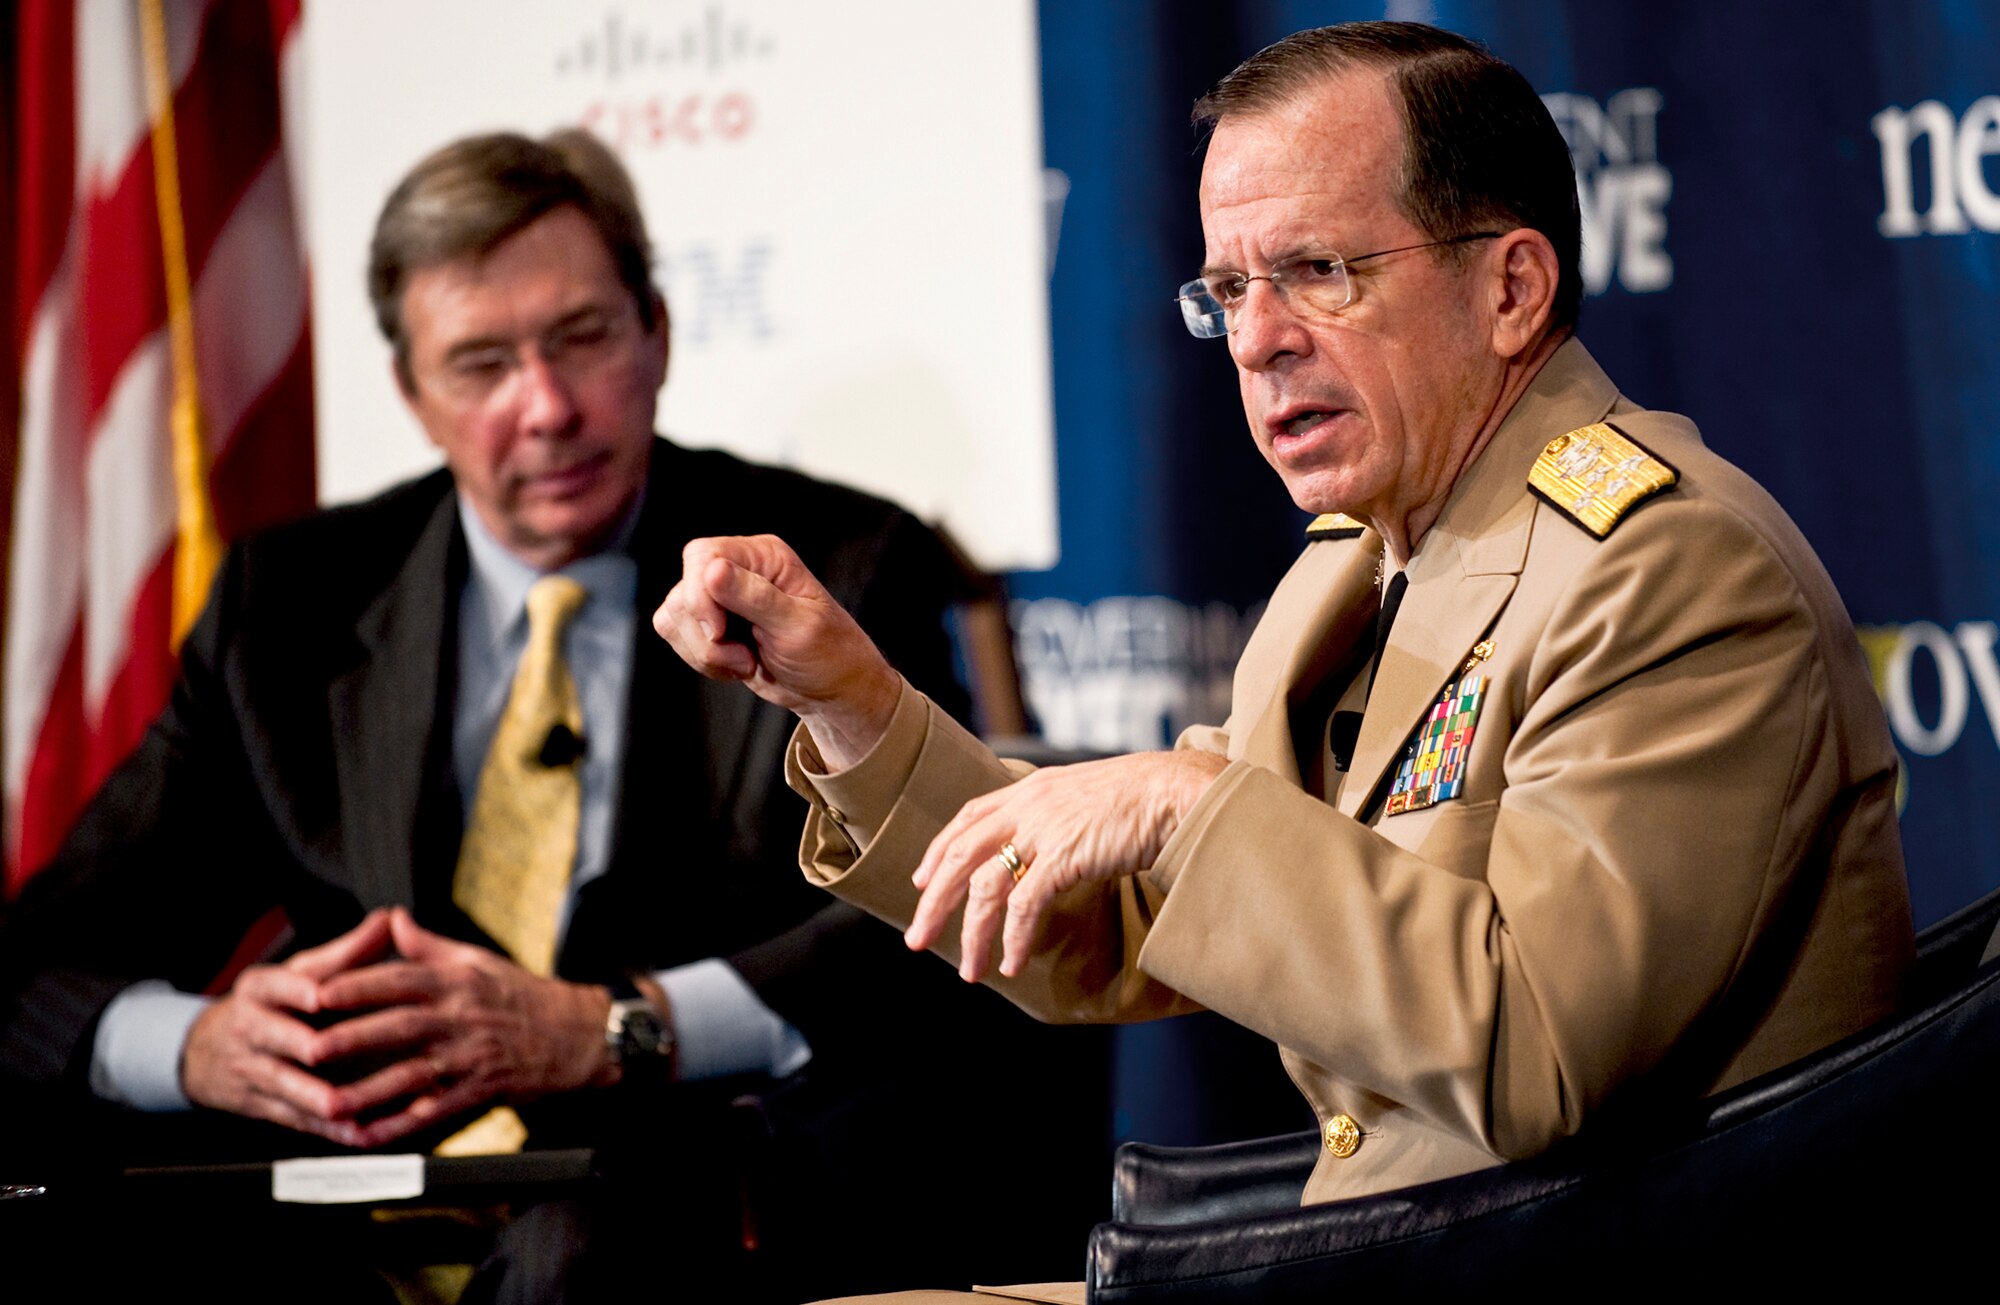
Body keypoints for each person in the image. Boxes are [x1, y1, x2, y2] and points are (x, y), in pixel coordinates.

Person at [657, 22, 1913, 1295]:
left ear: (1511, 289)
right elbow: (1105, 928)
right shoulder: (1353, 563)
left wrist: (1188, 801)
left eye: (1317, 271)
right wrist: (855, 704)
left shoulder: (1665, 567)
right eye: (1228, 290)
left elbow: (1533, 1049)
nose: (1256, 339)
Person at [0, 129, 1102, 1300]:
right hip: (348, 1194)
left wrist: (616, 1026)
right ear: (413, 396)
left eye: (581, 339)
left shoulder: (830, 562)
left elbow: (923, 916)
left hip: (685, 1194)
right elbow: (36, 966)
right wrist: (198, 1047)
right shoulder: (290, 606)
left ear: (656, 335)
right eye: (480, 363)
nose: (547, 408)